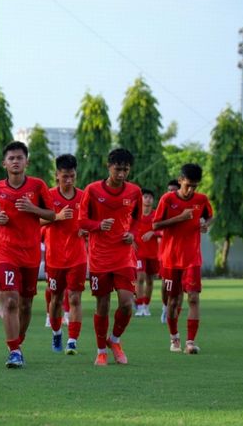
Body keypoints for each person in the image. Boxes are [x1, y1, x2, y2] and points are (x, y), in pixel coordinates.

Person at [0, 141, 55, 368]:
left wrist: (33, 209)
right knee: (11, 301)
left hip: (31, 253)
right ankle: (14, 350)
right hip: (6, 251)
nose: (16, 161)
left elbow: (52, 214)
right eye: (11, 158)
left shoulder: (37, 186)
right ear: (4, 163)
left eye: (20, 158)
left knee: (26, 304)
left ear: (27, 162)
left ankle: (18, 343)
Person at [79, 148, 142, 366]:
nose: (122, 174)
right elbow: (81, 221)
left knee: (127, 303)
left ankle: (114, 340)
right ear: (109, 167)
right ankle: (100, 351)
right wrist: (98, 225)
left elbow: (137, 219)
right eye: (118, 169)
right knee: (102, 305)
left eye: (125, 169)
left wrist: (131, 234)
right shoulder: (93, 190)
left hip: (124, 256)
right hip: (99, 257)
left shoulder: (134, 192)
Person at [153, 163, 213, 355]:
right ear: (180, 181)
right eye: (188, 185)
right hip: (171, 259)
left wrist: (205, 224)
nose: (191, 190)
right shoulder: (167, 199)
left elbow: (209, 217)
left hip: (192, 259)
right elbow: (155, 224)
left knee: (193, 298)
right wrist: (180, 217)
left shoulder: (202, 200)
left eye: (195, 186)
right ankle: (174, 338)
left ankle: (190, 342)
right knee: (172, 301)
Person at [41, 154, 87, 355]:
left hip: (77, 257)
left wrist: (88, 229)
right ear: (57, 175)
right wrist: (56, 217)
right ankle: (57, 332)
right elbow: (35, 222)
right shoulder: (48, 196)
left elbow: (91, 222)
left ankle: (72, 340)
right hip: (55, 258)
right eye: (65, 176)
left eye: (72, 176)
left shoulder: (84, 197)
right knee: (56, 299)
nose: (69, 180)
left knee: (75, 298)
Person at [134, 188, 160, 317]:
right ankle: (139, 306)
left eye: (150, 197)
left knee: (150, 280)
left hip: (153, 253)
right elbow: (127, 228)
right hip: (139, 253)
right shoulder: (136, 215)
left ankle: (146, 305)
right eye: (145, 196)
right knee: (140, 278)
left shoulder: (157, 215)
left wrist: (153, 233)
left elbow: (164, 231)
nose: (148, 199)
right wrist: (131, 240)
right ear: (141, 199)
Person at [160, 179, 180, 324]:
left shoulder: (185, 207)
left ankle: (174, 313)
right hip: (166, 253)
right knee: (165, 285)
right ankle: (165, 307)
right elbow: (155, 225)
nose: (170, 193)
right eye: (169, 190)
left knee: (181, 287)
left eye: (173, 190)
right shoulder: (164, 207)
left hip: (183, 254)